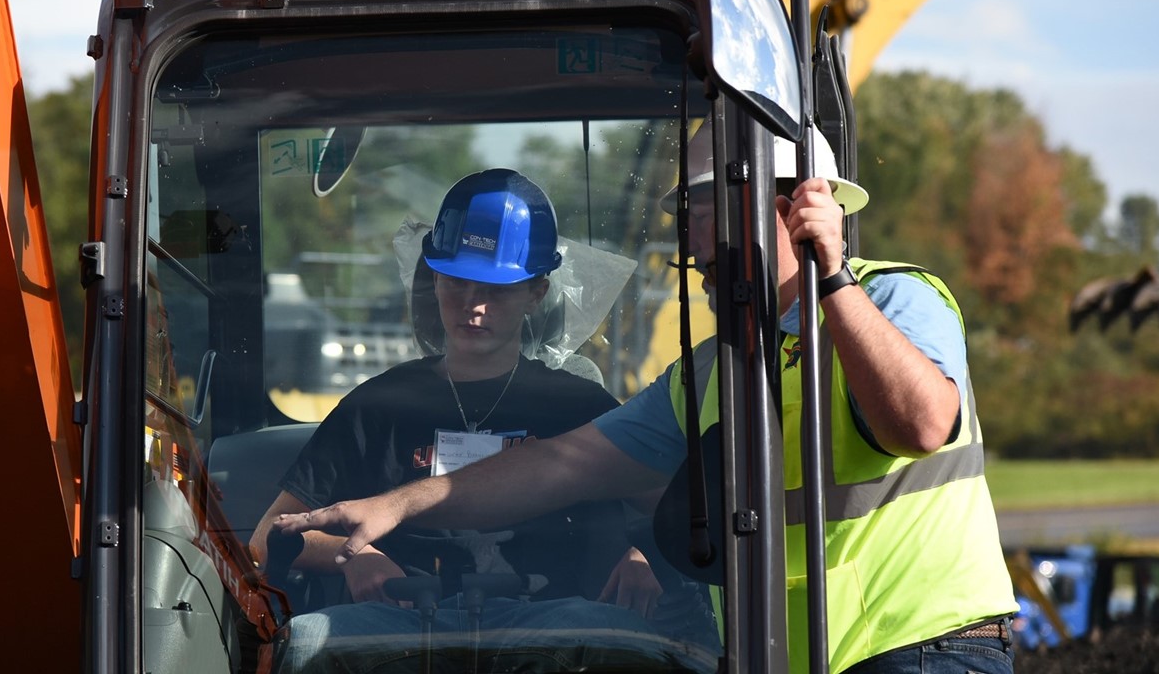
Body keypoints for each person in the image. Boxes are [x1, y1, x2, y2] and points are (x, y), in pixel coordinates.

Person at [276, 129, 1020, 674]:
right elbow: (563, 464)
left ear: (787, 206)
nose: (686, 242)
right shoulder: (710, 372)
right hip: (792, 656)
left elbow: (922, 422)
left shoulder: (892, 296)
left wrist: (833, 278)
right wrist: (396, 508)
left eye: (696, 212)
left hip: (925, 650)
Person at [254, 168, 714, 673]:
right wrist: (355, 554)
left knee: (625, 642)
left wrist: (639, 556)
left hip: (548, 626)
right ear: (433, 276)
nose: (474, 306)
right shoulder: (377, 407)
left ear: (537, 292)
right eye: (458, 282)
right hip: (401, 629)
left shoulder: (580, 408)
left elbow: (673, 519)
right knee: (305, 641)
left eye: (498, 289)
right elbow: (271, 535)